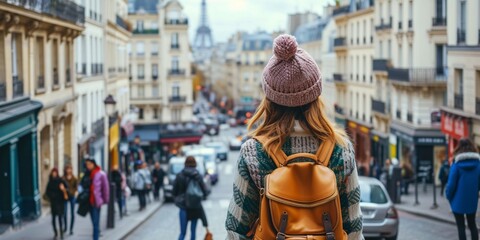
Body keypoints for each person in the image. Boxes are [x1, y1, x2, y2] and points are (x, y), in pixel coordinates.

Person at [225, 34, 363, 239]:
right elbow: (354, 230)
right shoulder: (341, 149)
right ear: (316, 96)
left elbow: (235, 229)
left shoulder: (253, 152)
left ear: (269, 98)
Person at [446, 138, 480, 240]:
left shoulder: (456, 165)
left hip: (457, 201)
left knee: (461, 227)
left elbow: (451, 185)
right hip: (472, 200)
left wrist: (448, 196)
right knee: (472, 225)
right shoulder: (478, 165)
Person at [173, 156, 209, 240]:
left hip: (183, 206)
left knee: (182, 232)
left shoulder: (180, 175)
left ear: (185, 163)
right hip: (195, 205)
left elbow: (174, 191)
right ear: (195, 164)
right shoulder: (198, 175)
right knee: (193, 231)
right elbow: (205, 191)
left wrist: (177, 198)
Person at [85, 158, 110, 240]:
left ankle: (95, 238)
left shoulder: (100, 174)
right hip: (88, 201)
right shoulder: (87, 174)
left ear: (94, 164)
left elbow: (105, 188)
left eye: (89, 164)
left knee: (96, 223)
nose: (88, 166)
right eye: (87, 164)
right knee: (93, 222)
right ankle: (96, 234)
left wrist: (105, 200)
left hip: (96, 201)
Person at [46, 168, 68, 239]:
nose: (54, 174)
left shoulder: (61, 181)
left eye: (55, 172)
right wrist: (52, 196)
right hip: (53, 202)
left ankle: (61, 233)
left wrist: (63, 189)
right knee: (53, 219)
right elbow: (47, 192)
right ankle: (55, 233)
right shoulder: (50, 182)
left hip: (60, 202)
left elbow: (67, 188)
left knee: (60, 218)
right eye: (53, 172)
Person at [62, 164, 78, 235]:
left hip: (72, 196)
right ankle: (65, 228)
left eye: (70, 169)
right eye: (67, 169)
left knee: (72, 213)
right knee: (64, 213)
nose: (68, 170)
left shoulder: (74, 178)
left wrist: (73, 192)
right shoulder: (63, 178)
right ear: (65, 170)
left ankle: (71, 229)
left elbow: (76, 188)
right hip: (65, 196)